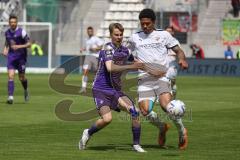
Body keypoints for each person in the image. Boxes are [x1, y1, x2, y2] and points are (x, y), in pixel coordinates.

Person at [79, 23, 146, 152]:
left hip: (116, 90)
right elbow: (110, 68)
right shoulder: (107, 48)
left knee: (134, 112)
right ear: (111, 35)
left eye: (121, 34)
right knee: (107, 119)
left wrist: (151, 69)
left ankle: (136, 145)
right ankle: (88, 132)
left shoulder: (125, 50)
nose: (119, 37)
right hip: (100, 89)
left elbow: (136, 61)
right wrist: (131, 66)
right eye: (116, 34)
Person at [127, 8, 189, 150]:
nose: (145, 26)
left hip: (162, 77)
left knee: (167, 106)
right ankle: (162, 127)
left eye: (147, 23)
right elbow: (126, 54)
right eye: (142, 23)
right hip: (144, 78)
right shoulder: (134, 37)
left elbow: (179, 51)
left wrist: (182, 60)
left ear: (153, 22)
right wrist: (132, 61)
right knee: (144, 111)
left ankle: (182, 131)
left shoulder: (164, 35)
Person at [3, 15, 31, 104]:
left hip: (21, 57)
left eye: (14, 22)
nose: (13, 24)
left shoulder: (21, 32)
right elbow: (7, 42)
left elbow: (29, 44)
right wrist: (5, 50)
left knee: (21, 78)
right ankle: (10, 97)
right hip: (11, 57)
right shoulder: (7, 32)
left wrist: (19, 46)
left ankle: (26, 90)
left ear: (17, 22)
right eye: (11, 22)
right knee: (10, 76)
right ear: (9, 23)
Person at [79, 26, 104, 93]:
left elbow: (101, 46)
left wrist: (95, 49)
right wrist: (83, 49)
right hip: (88, 56)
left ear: (93, 32)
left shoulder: (96, 39)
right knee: (85, 71)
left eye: (91, 31)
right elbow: (87, 47)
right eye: (88, 31)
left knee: (96, 72)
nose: (90, 32)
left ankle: (95, 87)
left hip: (95, 56)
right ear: (87, 32)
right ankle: (83, 87)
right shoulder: (86, 39)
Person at [165, 26, 178, 99]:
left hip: (172, 66)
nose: (168, 33)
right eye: (167, 31)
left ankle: (173, 96)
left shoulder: (175, 41)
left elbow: (178, 52)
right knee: (165, 81)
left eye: (170, 31)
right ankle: (166, 97)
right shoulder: (162, 41)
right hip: (163, 65)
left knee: (172, 83)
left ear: (173, 32)